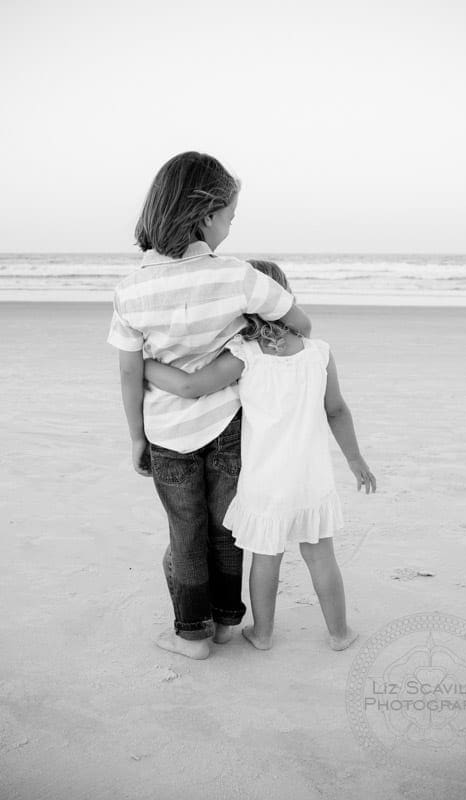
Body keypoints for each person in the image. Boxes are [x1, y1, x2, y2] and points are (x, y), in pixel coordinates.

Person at [107, 154, 311, 660]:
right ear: (207, 214)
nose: (230, 228)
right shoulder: (237, 276)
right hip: (228, 425)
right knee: (226, 528)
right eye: (230, 217)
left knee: (185, 532)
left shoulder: (131, 289)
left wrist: (136, 436)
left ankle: (190, 634)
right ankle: (224, 623)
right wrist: (244, 339)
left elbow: (129, 371)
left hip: (166, 432)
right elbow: (300, 324)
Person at [144, 260, 376, 652]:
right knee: (321, 556)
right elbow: (336, 410)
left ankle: (262, 633)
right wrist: (355, 460)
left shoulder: (244, 355)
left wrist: (145, 366)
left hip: (266, 480)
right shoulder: (319, 353)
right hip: (311, 478)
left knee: (265, 557)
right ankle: (339, 633)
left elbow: (191, 386)